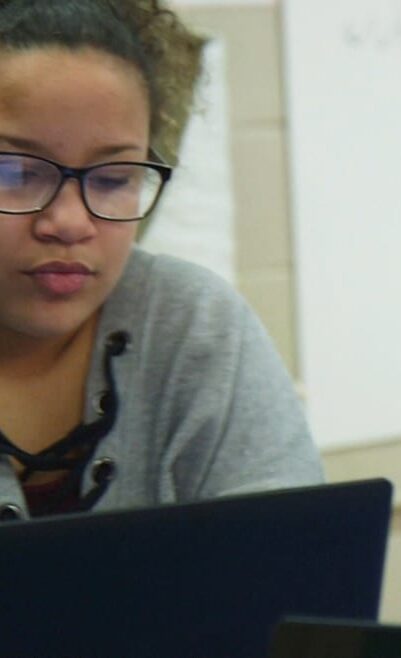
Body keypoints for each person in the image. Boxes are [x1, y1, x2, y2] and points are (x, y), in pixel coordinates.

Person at [0, 0, 324, 520]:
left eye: (113, 180)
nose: (70, 222)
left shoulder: (194, 326)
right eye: (15, 172)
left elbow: (294, 556)